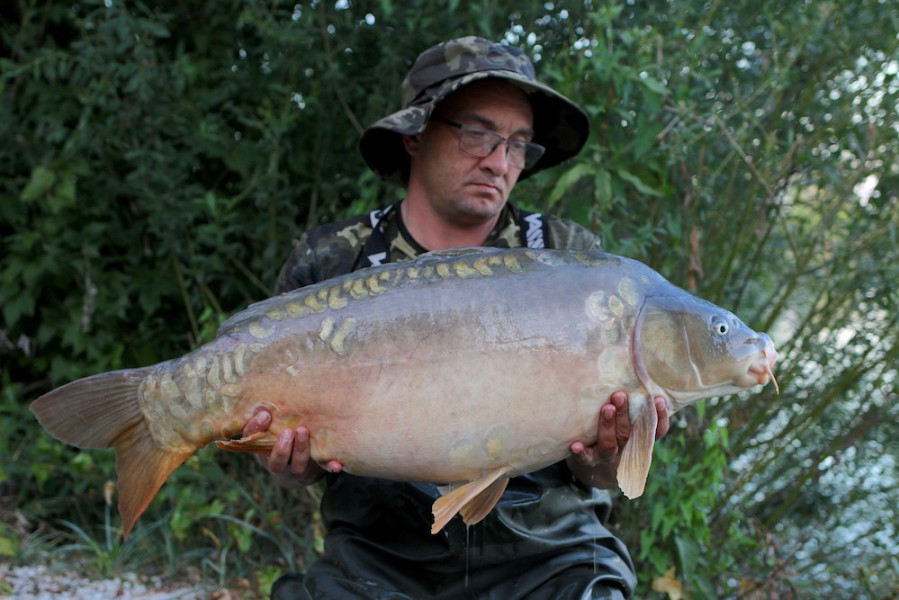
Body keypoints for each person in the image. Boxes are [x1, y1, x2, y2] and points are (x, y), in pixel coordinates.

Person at [244, 36, 670, 599]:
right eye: (478, 134)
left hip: (551, 557)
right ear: (416, 134)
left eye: (518, 145)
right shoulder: (331, 263)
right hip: (379, 557)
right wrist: (289, 464)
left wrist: (610, 456)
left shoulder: (570, 262)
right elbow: (293, 466)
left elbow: (599, 475)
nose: (498, 162)